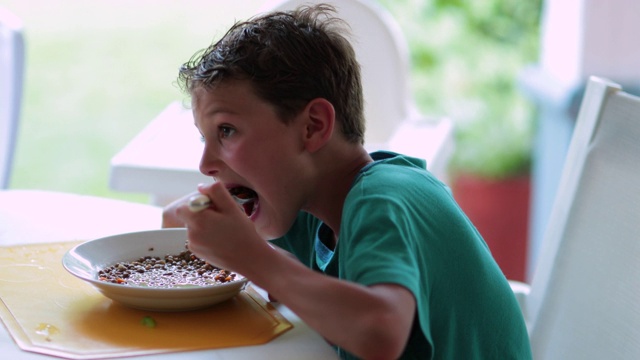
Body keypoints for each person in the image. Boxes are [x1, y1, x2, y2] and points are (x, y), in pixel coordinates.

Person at [162, 4, 532, 359]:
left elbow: (380, 330)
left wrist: (255, 260)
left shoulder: (384, 198)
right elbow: (197, 225)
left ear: (313, 126)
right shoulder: (312, 207)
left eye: (227, 130)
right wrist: (199, 220)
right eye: (204, 137)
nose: (206, 164)